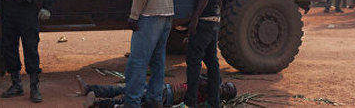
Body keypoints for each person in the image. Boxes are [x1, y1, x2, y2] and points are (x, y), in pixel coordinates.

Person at [182, 0, 222, 108]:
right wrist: (217, 16)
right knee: (212, 62)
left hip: (204, 21)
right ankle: (214, 102)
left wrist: (196, 18)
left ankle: (190, 102)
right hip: (214, 21)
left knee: (193, 61)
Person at [76, 74, 237, 108]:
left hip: (165, 96)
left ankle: (97, 104)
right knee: (127, 88)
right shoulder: (208, 84)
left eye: (226, 89)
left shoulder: (210, 99)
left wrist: (214, 86)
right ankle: (91, 89)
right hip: (164, 87)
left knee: (129, 100)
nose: (223, 87)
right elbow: (194, 79)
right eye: (226, 85)